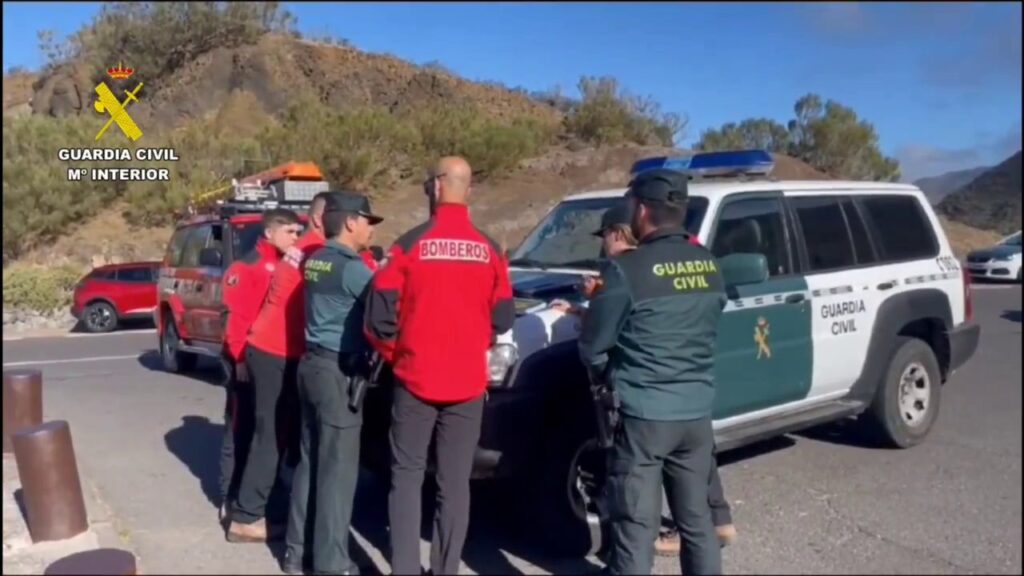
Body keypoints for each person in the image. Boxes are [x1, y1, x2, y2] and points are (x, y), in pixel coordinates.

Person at [552, 205, 738, 558]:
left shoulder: (627, 271)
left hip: (645, 411)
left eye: (604, 235)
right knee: (697, 521)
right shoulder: (706, 263)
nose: (603, 244)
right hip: (695, 411)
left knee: (635, 522)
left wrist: (607, 377)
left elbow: (595, 345)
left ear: (631, 221)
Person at [365, 156, 515, 576]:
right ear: (468, 191)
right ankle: (446, 569)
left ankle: (406, 569)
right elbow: (503, 318)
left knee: (407, 477)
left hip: (414, 380)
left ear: (434, 187)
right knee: (455, 486)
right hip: (467, 385)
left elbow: (377, 317)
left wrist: (398, 355)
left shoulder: (407, 245)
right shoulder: (489, 250)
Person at [245, 192, 337, 567]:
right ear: (322, 218)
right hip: (275, 350)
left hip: (272, 347)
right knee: (271, 436)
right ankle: (248, 515)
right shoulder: (317, 250)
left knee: (276, 433)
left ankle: (259, 504)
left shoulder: (302, 247)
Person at [293, 192, 382, 575]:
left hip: (311, 366)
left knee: (310, 464)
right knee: (339, 472)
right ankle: (332, 563)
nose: (369, 229)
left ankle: (297, 555)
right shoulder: (352, 268)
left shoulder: (316, 260)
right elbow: (386, 307)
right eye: (367, 221)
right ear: (350, 222)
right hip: (337, 374)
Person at [219, 208, 302, 531]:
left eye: (298, 232)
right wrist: (239, 359)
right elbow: (235, 319)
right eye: (290, 232)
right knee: (240, 429)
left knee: (267, 431)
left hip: (271, 358)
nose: (295, 238)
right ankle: (230, 498)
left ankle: (261, 496)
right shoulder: (246, 267)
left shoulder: (285, 265)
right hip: (246, 358)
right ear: (269, 233)